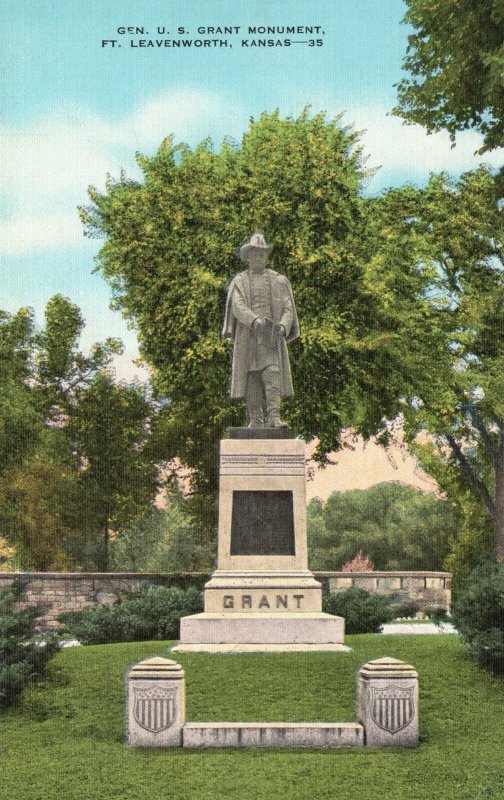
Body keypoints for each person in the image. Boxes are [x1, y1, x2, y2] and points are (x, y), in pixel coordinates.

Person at [222, 231, 299, 428]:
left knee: (272, 373)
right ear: (248, 257)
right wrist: (254, 319)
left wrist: (282, 325)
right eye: (254, 253)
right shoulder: (238, 281)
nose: (258, 257)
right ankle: (255, 420)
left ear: (266, 256)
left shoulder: (279, 281)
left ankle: (274, 418)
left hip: (270, 338)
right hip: (247, 337)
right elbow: (237, 306)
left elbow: (288, 308)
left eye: (261, 253)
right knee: (251, 378)